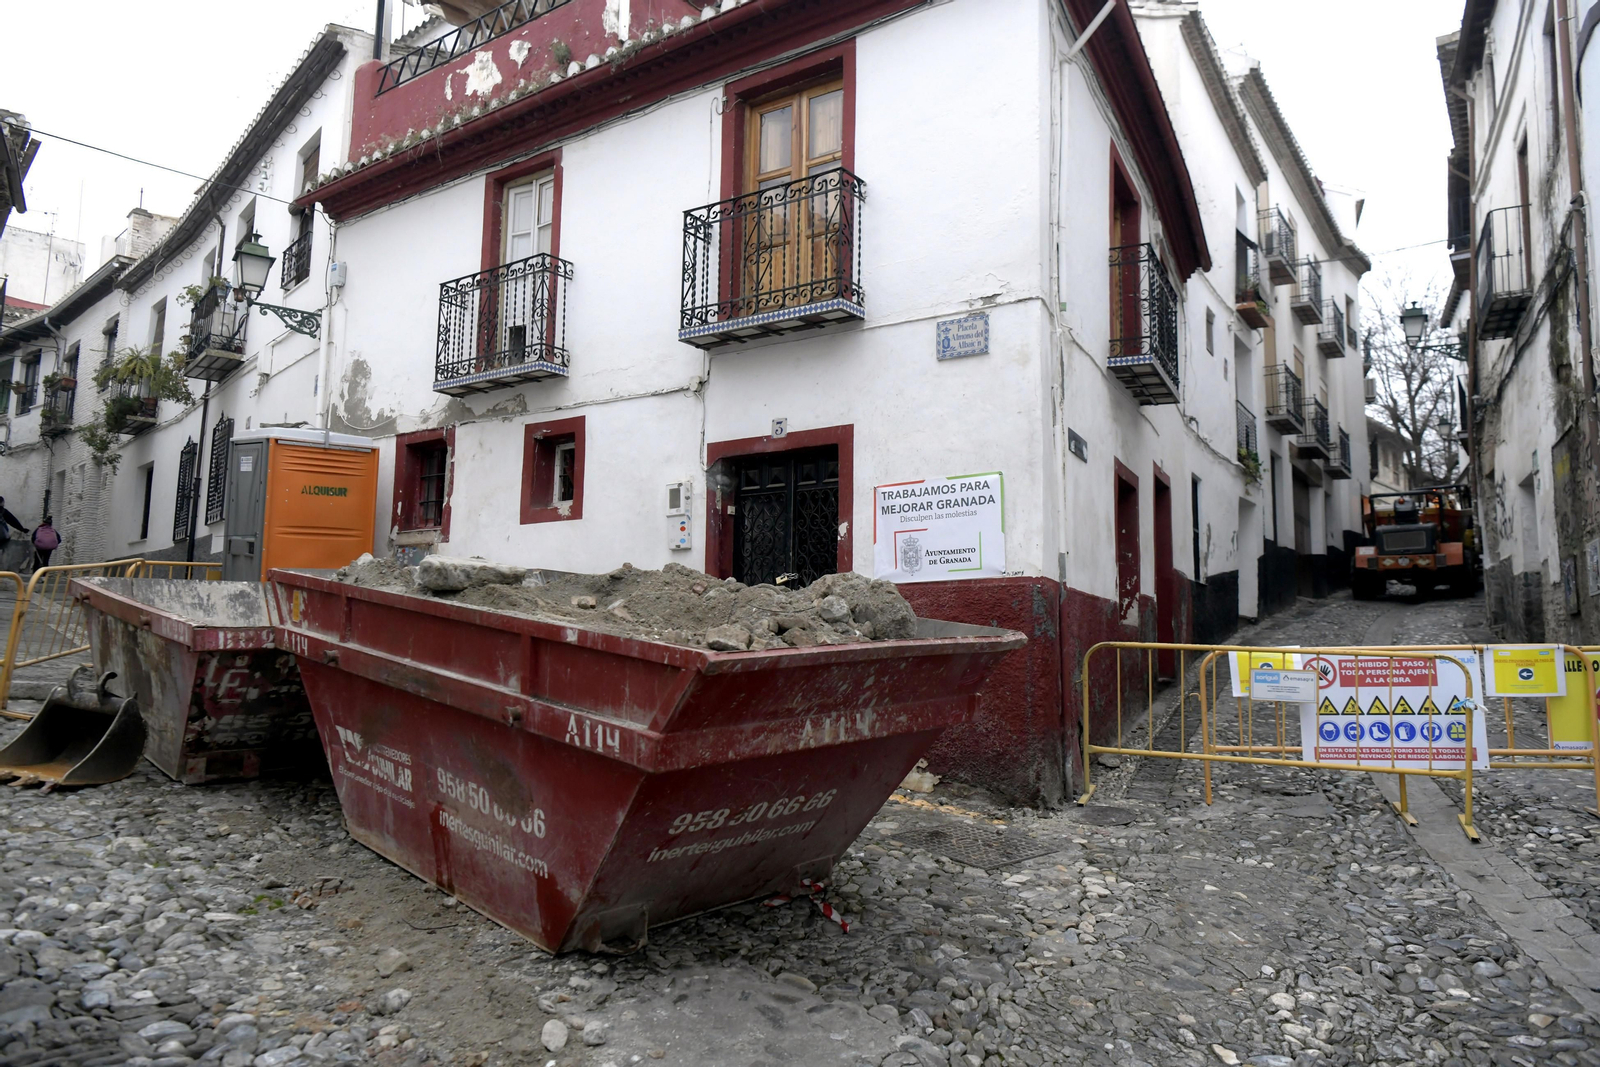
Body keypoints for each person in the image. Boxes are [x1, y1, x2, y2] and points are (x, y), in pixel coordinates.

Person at [0, 497, 27, 571]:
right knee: (3, 551)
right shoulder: (3, 511)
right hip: (2, 537)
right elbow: (12, 521)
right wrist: (22, 529)